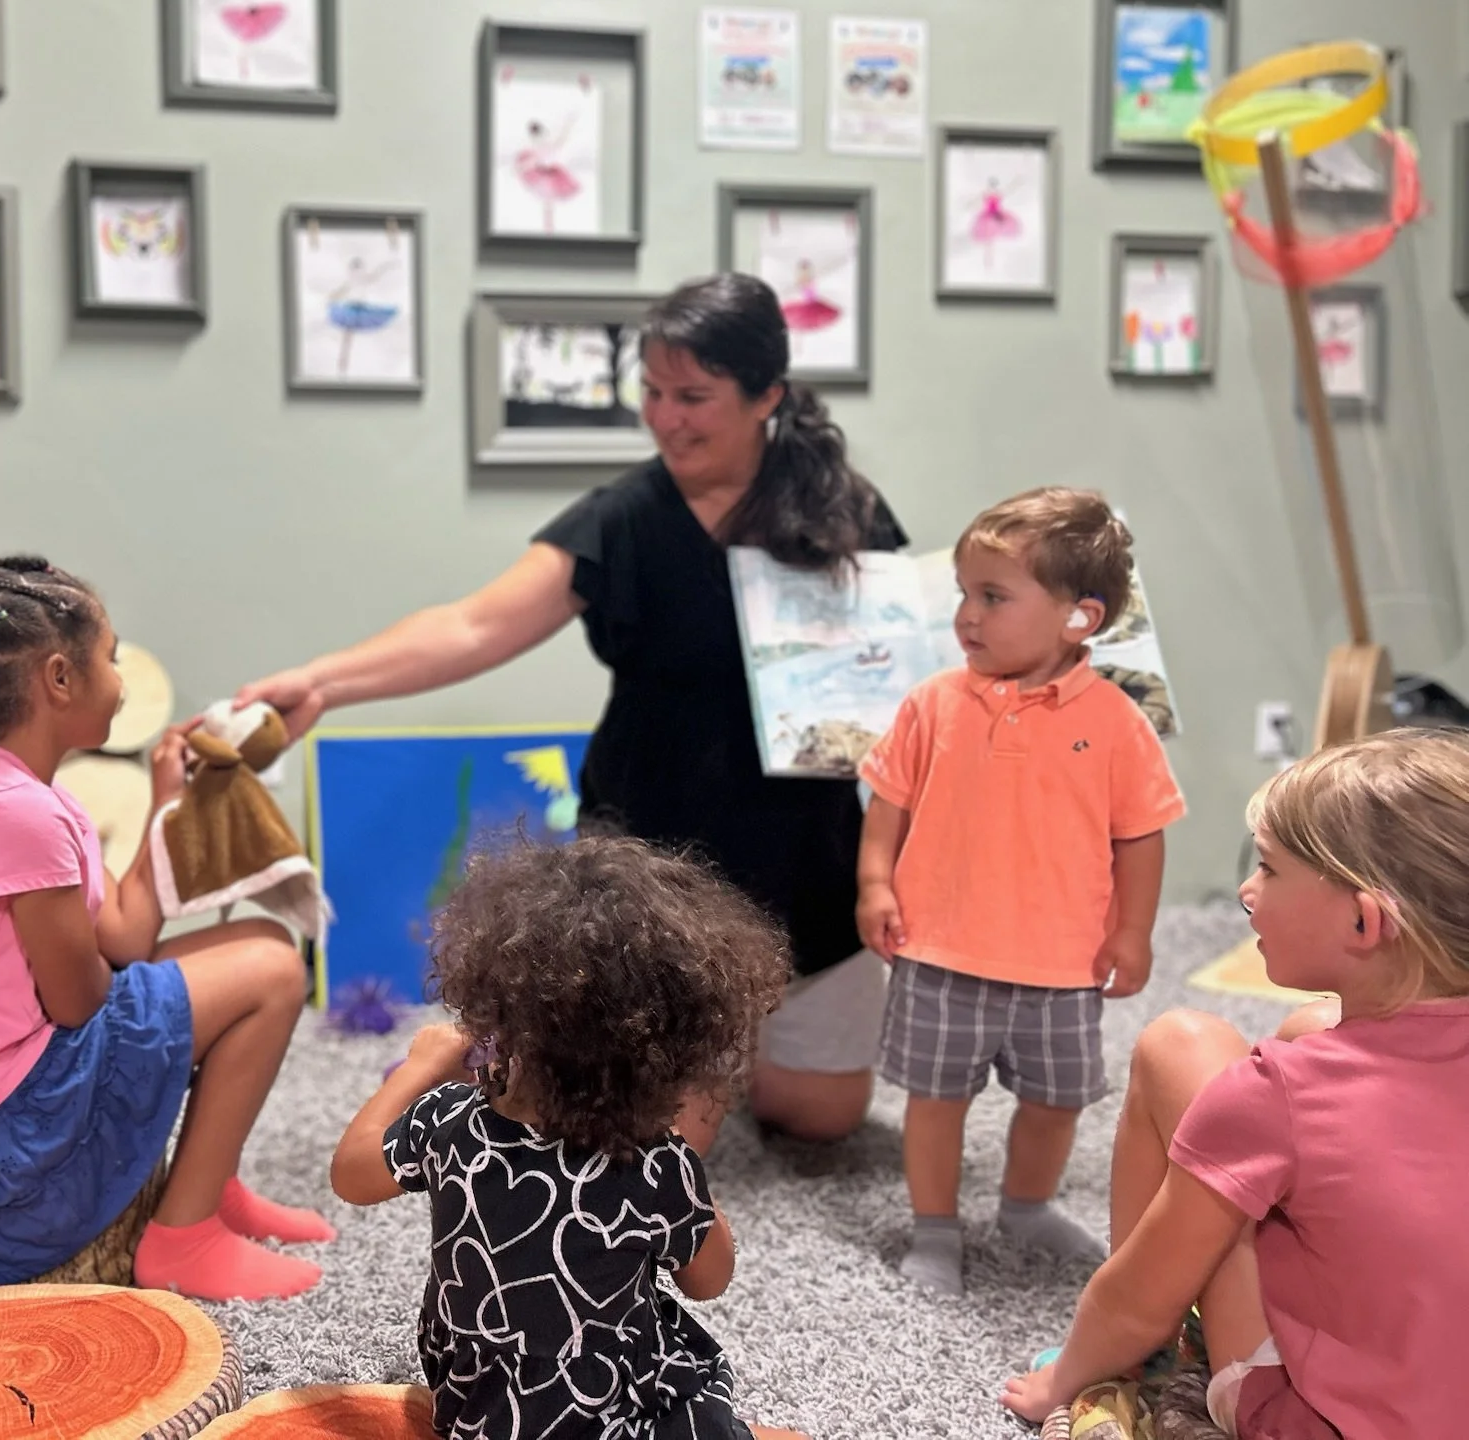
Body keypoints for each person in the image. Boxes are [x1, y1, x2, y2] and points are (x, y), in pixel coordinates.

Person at [237, 272, 906, 1146]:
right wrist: (322, 682)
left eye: (694, 397)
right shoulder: (624, 516)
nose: (666, 418)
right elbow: (475, 624)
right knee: (637, 1121)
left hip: (806, 861)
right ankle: (682, 1036)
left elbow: (912, 673)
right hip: (654, 861)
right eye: (653, 393)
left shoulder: (844, 510)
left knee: (817, 1119)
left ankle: (730, 1040)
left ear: (767, 396)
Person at [0, 556, 330, 1304]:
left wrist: (164, 801)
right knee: (273, 975)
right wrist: (153, 1000)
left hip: (5, 1077)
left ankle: (212, 1179)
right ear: (59, 679)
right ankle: (184, 1237)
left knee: (263, 944)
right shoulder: (21, 816)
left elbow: (124, 936)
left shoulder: (18, 792)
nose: (120, 677)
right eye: (111, 658)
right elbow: (79, 1001)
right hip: (2, 1122)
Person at [1001, 729, 1469, 1438]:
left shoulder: (1278, 1092)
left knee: (1175, 1044)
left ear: (1364, 919)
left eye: (1270, 871)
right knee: (1308, 1029)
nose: (1247, 893)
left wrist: (1057, 1386)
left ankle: (1134, 1364)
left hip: (1316, 1422)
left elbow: (1134, 1301)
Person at [329, 836, 805, 1440]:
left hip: (479, 1415)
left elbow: (351, 1172)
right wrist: (685, 1179)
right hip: (612, 1418)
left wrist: (420, 1067)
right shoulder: (656, 1166)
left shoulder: (451, 1122)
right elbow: (710, 1280)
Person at [856, 488, 1184, 1295]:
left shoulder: (1117, 721)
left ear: (1080, 618)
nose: (967, 615)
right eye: (965, 594)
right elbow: (888, 804)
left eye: (993, 597)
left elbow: (1141, 833)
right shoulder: (933, 704)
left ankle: (1026, 1204)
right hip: (939, 949)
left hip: (1062, 963)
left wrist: (1132, 932)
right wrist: (874, 883)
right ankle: (935, 1227)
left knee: (1057, 1101)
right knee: (935, 1099)